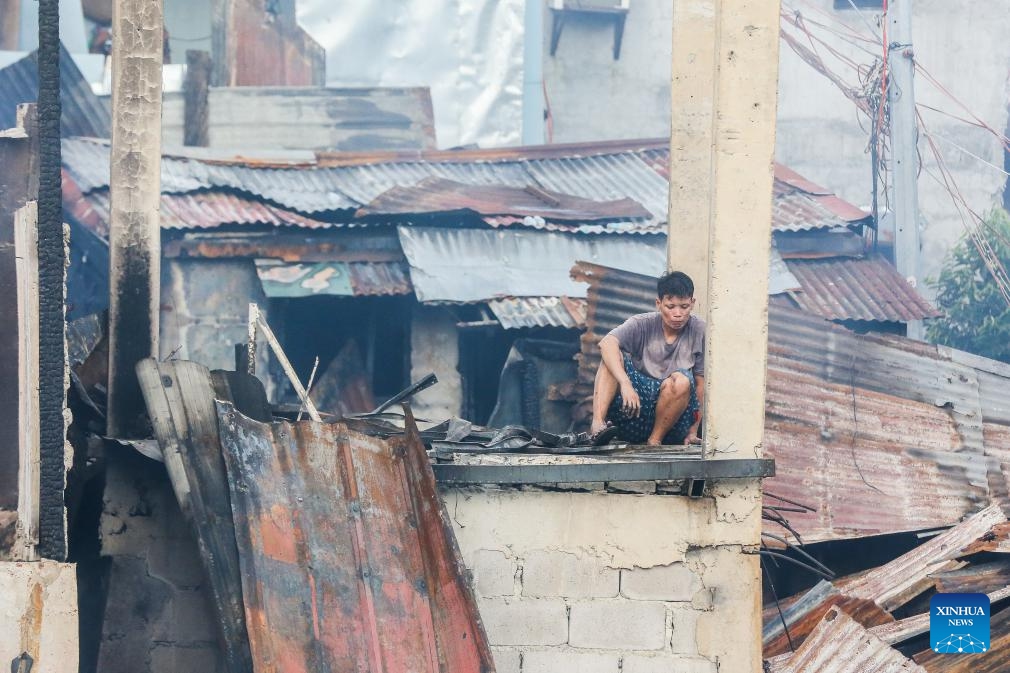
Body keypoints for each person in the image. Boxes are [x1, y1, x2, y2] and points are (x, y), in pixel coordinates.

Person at [590, 270, 705, 446]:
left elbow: (700, 384)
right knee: (611, 359)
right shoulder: (641, 323)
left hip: (673, 424)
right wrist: (625, 383)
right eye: (670, 306)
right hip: (635, 414)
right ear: (659, 303)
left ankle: (654, 441)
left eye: (684, 307)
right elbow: (606, 343)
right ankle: (598, 425)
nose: (678, 313)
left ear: (692, 303)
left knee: (683, 380)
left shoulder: (699, 330)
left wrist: (693, 431)